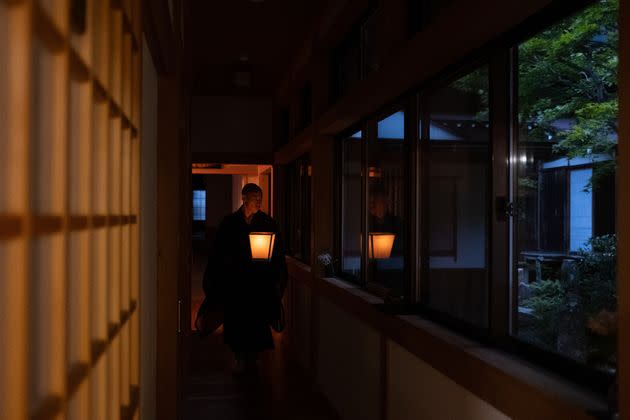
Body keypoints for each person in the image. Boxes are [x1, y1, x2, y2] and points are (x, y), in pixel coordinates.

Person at [202, 183, 288, 375]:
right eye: (254, 197)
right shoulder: (229, 223)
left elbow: (278, 254)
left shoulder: (268, 223)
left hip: (259, 283)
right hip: (236, 283)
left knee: (257, 322)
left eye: (260, 198)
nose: (258, 202)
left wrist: (274, 279)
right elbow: (218, 253)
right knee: (237, 321)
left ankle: (254, 357)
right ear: (243, 198)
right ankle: (239, 356)